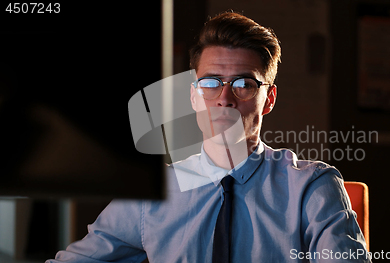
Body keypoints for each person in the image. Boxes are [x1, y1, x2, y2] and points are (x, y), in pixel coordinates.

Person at [46, 12, 371, 263]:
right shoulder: (152, 194)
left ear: (268, 99)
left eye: (244, 83)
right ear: (193, 97)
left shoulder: (311, 187)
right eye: (211, 82)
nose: (225, 99)